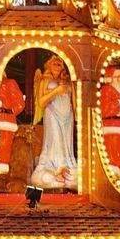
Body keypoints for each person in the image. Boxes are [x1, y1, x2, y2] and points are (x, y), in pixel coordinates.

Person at [30, 56, 79, 189]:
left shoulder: (66, 81)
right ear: (49, 66)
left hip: (67, 116)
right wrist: (56, 91)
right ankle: (55, 168)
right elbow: (41, 101)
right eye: (55, 64)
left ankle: (67, 168)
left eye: (60, 64)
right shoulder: (45, 80)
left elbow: (73, 100)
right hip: (52, 113)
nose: (58, 66)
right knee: (55, 139)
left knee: (66, 142)